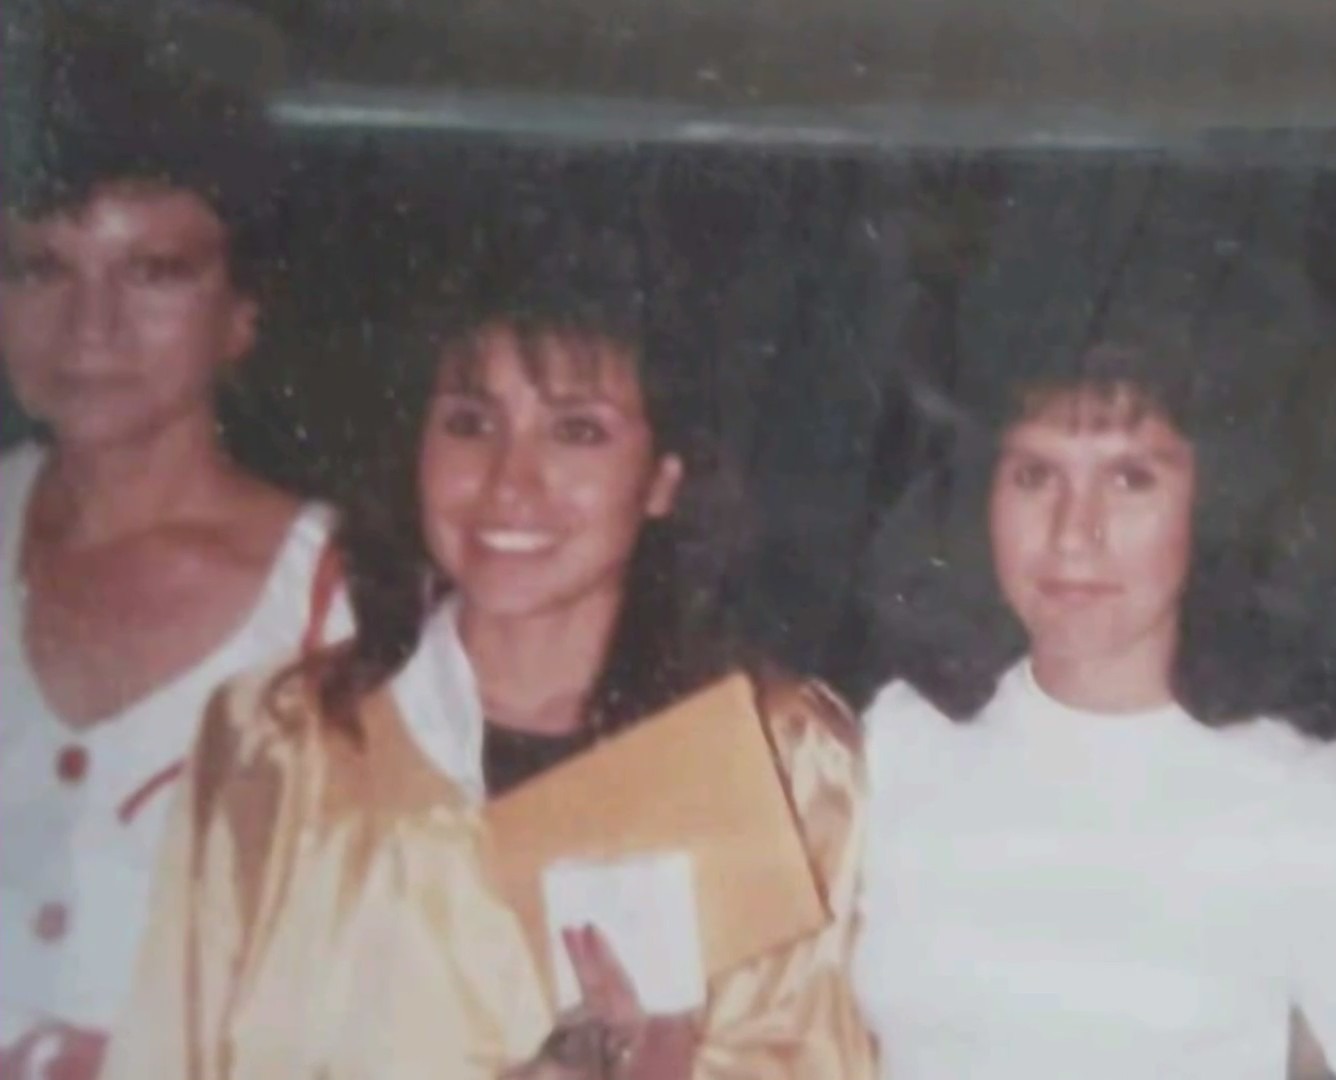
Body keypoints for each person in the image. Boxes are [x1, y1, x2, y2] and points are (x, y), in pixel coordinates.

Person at [103, 229, 874, 1079]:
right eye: (471, 423)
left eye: (577, 431)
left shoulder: (776, 755)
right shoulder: (285, 742)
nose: (511, 481)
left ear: (663, 480)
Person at [851, 288, 1336, 1080]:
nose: (1072, 531)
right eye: (1033, 475)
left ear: (1213, 502)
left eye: (1129, 479)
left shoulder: (1300, 798)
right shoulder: (897, 743)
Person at [0, 21, 341, 1079]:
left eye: (153, 272)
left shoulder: (339, 602)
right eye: (39, 268)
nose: (88, 328)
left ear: (242, 313)